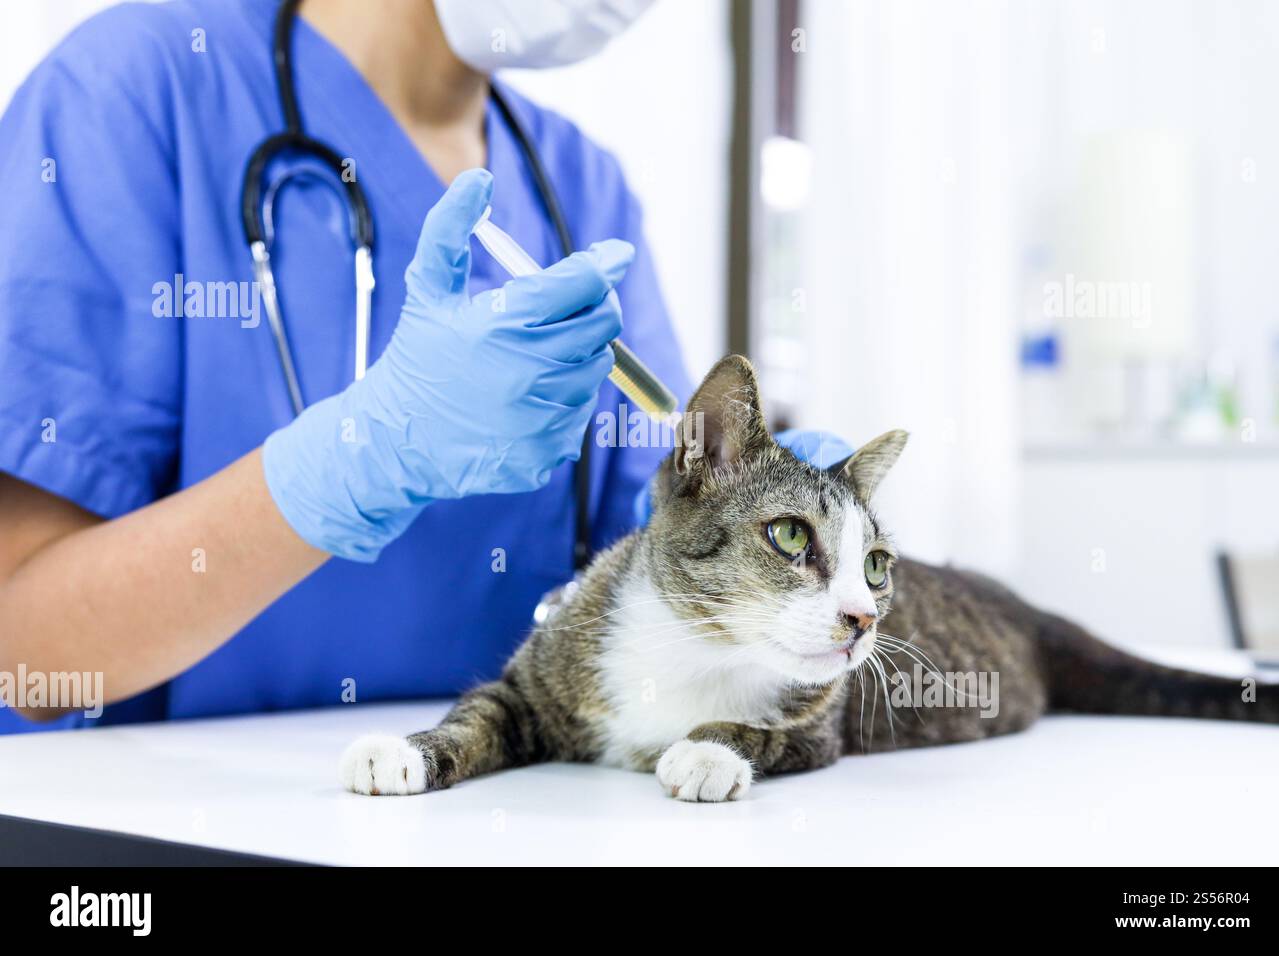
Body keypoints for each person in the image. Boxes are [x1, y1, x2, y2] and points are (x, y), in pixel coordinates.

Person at [0, 0, 845, 734]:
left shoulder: (578, 183)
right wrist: (353, 463)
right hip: (177, 834)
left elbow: (645, 525)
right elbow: (20, 649)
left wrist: (734, 531)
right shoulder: (135, 92)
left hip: (492, 805)